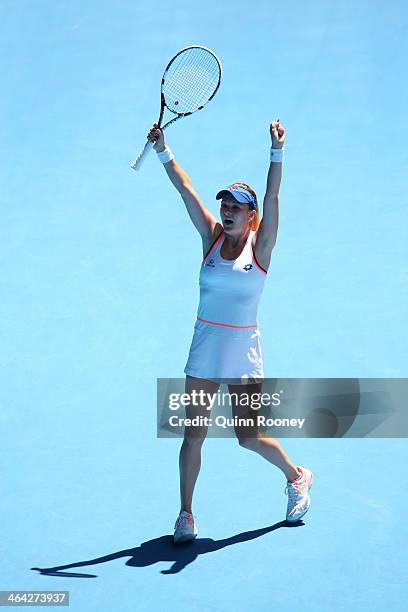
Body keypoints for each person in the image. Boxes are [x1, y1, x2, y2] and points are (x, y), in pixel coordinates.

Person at [147, 120, 314, 544]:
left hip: (242, 352)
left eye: (237, 206)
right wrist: (164, 149)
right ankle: (185, 515)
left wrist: (276, 152)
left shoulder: (261, 247)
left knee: (248, 437)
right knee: (193, 435)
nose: (227, 210)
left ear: (252, 215)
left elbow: (273, 195)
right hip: (204, 349)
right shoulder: (210, 237)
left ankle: (297, 476)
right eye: (225, 204)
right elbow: (186, 190)